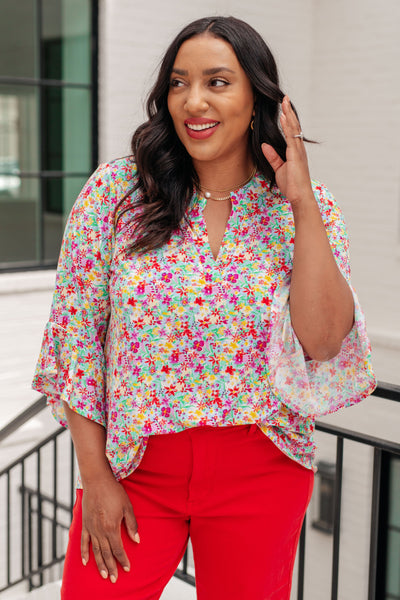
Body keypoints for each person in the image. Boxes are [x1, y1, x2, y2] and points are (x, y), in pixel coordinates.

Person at [32, 15, 376, 600]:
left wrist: (301, 203)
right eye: (178, 82)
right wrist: (95, 479)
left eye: (217, 81)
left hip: (262, 470)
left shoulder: (304, 207)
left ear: (256, 96)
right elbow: (75, 344)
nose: (193, 101)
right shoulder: (116, 195)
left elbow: (322, 342)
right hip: (134, 469)